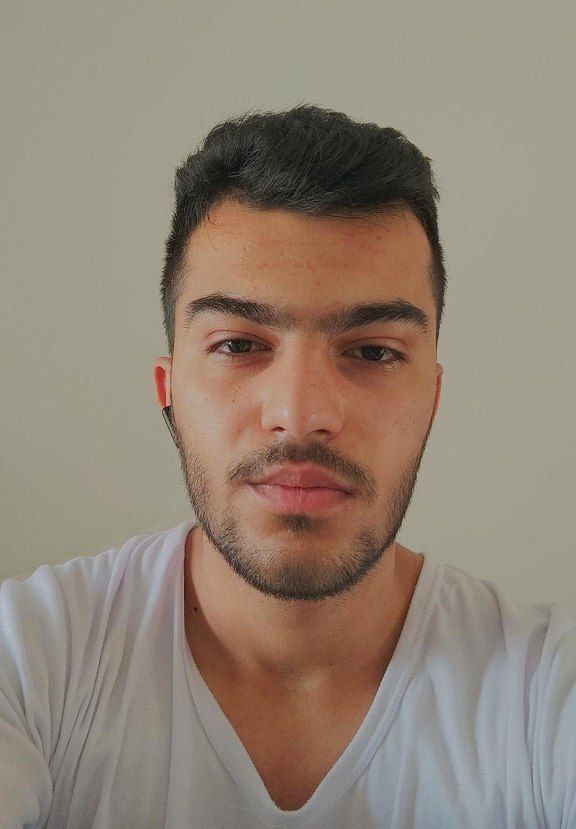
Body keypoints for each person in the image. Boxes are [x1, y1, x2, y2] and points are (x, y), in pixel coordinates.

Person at [0, 105, 574, 828]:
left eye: (372, 351)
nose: (300, 415)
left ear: (431, 397)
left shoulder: (546, 689)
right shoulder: (29, 657)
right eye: (240, 345)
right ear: (168, 388)